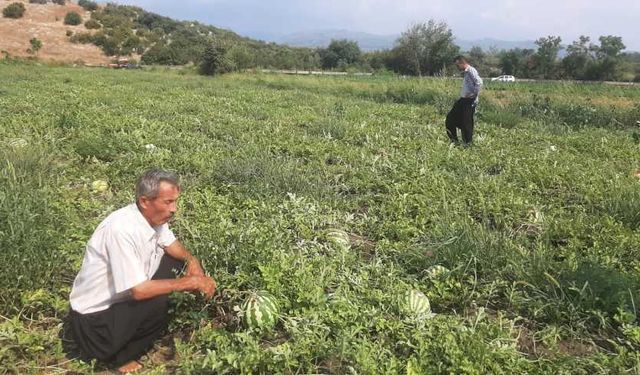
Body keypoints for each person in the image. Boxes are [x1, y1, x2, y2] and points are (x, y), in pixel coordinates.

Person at [69, 169, 216, 373]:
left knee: (176, 264)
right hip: (95, 325)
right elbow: (139, 291)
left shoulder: (151, 217)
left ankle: (131, 334)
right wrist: (191, 283)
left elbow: (171, 244)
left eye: (175, 201)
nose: (174, 209)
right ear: (145, 201)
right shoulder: (121, 230)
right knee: (161, 300)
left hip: (119, 302)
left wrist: (192, 261)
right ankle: (117, 357)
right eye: (168, 202)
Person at [446, 55, 483, 145]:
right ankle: (455, 141)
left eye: (457, 65)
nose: (457, 67)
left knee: (467, 123)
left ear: (462, 63)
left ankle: (467, 144)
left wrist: (473, 95)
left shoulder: (471, 70)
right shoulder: (466, 72)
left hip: (469, 101)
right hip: (463, 100)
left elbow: (479, 82)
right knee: (450, 119)